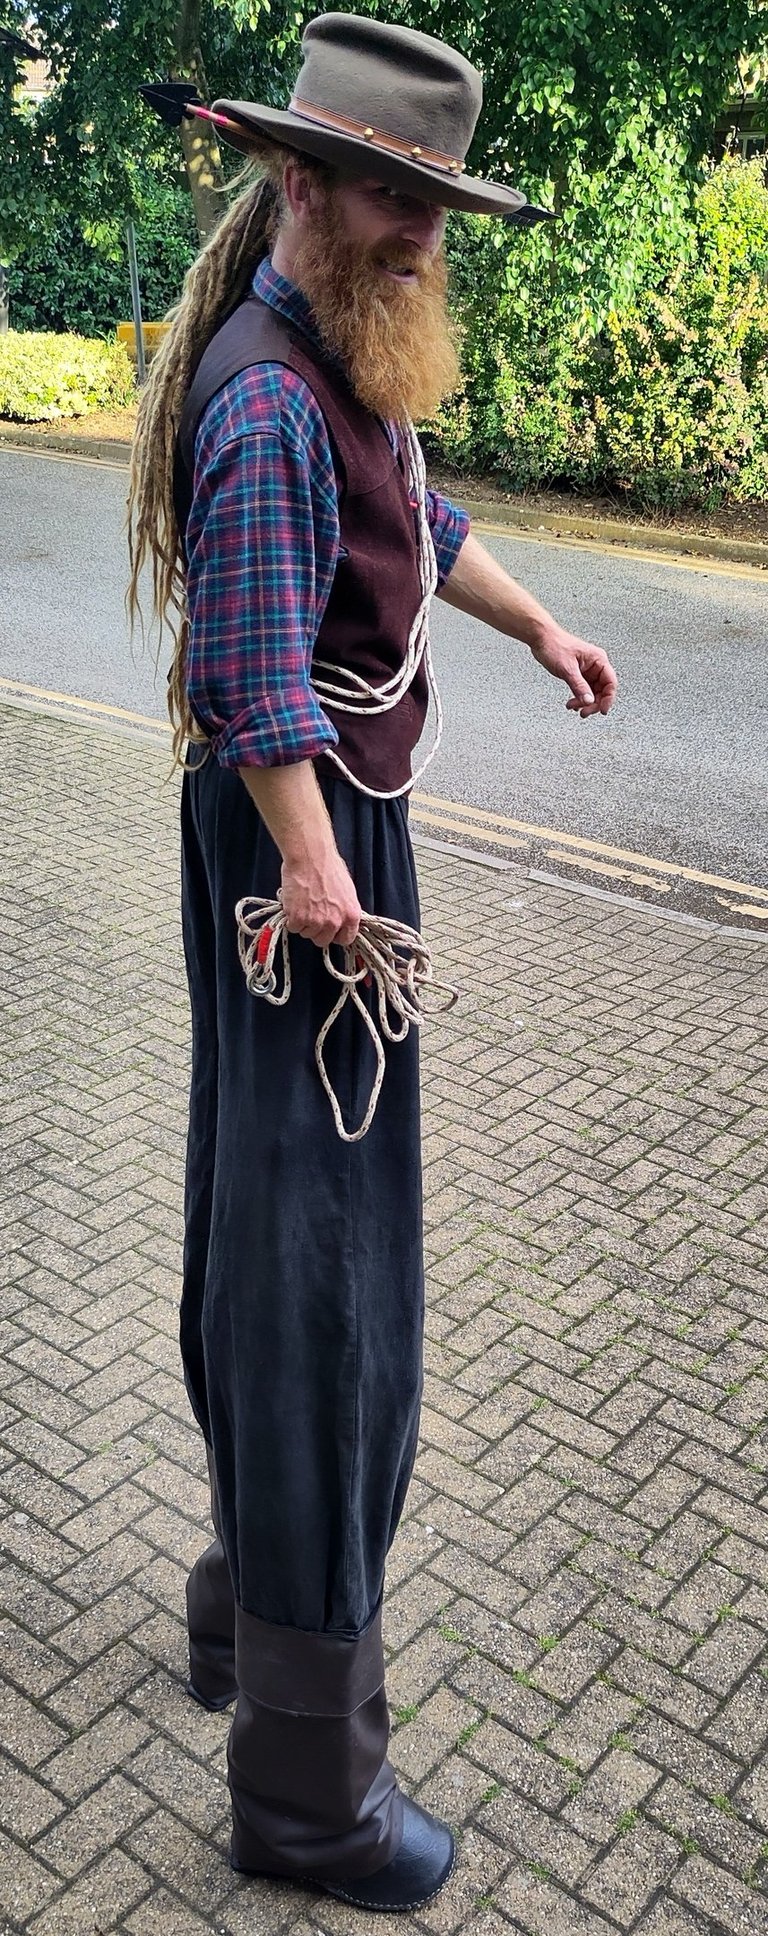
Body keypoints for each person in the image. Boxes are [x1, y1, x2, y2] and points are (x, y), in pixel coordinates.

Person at [128, 9, 618, 1915]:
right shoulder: (262, 402)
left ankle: (246, 1611)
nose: (421, 233)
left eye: (436, 204)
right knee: (333, 1286)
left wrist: (536, 624)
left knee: (267, 1220)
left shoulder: (337, 349)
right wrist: (325, 876)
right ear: (300, 180)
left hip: (313, 838)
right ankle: (308, 1796)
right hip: (301, 856)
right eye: (391, 198)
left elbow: (422, 513)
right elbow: (251, 684)